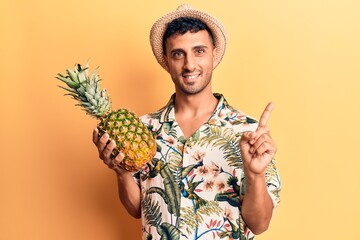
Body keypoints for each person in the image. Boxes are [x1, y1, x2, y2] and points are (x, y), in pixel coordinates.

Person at [92, 4, 280, 240]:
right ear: (167, 62)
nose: (189, 64)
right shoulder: (144, 129)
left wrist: (254, 175)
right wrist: (122, 174)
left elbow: (260, 224)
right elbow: (137, 209)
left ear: (214, 53)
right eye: (178, 54)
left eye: (199, 51)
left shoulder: (248, 132)